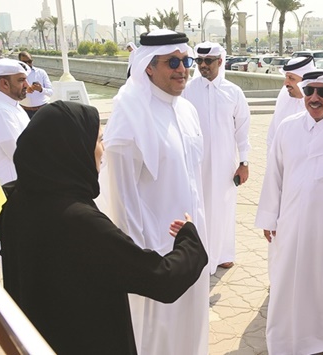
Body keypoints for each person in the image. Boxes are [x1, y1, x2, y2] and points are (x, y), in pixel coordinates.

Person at [0, 100, 208, 355]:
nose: (102, 151)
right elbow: (161, 278)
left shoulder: (18, 202)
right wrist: (190, 240)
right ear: (72, 148)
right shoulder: (79, 222)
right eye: (97, 141)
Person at [99, 29, 210, 355]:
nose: (182, 69)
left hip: (192, 244)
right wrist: (143, 262)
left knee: (191, 328)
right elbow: (122, 200)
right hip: (156, 255)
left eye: (185, 60)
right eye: (172, 62)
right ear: (148, 66)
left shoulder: (186, 110)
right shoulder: (129, 113)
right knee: (158, 337)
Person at [255, 70, 323, 355]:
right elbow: (274, 176)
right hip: (289, 223)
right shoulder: (288, 128)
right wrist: (270, 217)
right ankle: (284, 340)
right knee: (285, 281)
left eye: (322, 92)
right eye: (309, 92)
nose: (314, 98)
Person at [183, 41, 251, 272]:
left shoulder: (234, 92)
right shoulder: (187, 90)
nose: (203, 65)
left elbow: (242, 130)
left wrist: (244, 162)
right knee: (197, 204)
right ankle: (198, 253)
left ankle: (223, 253)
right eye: (199, 61)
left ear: (220, 62)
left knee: (224, 206)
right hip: (195, 161)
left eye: (208, 61)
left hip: (224, 161)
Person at [0, 59, 30, 187]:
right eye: (21, 80)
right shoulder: (0, 111)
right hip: (11, 185)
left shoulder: (10, 104)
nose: (27, 85)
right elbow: (19, 154)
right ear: (4, 83)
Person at [265, 55, 314, 152]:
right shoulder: (285, 94)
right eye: (286, 77)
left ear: (305, 82)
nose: (285, 83)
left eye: (291, 78)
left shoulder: (319, 102)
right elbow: (273, 135)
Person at [18, 51, 53, 118]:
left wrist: (41, 89)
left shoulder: (41, 72)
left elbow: (50, 92)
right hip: (24, 111)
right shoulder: (16, 75)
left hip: (42, 110)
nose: (28, 64)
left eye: (30, 61)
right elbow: (13, 94)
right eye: (25, 62)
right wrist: (26, 91)